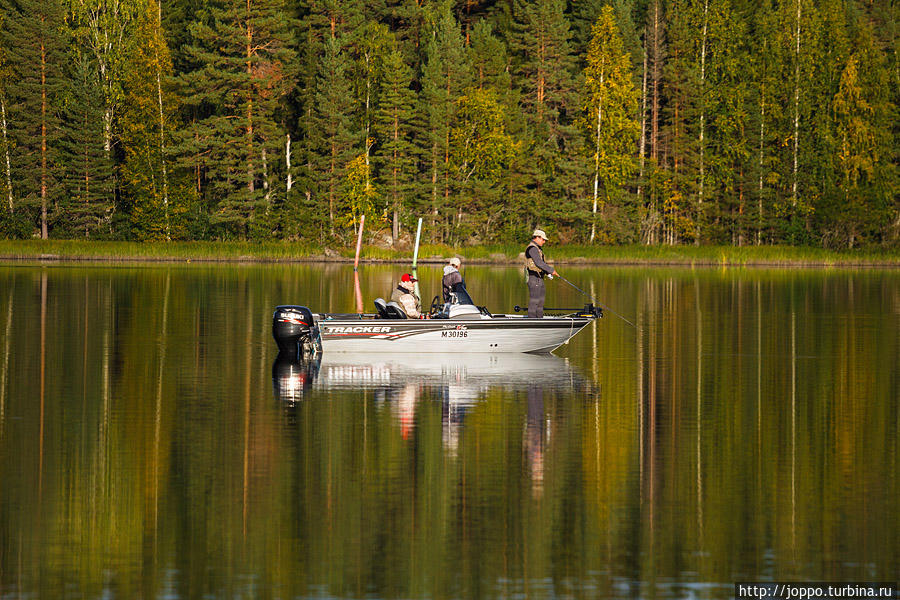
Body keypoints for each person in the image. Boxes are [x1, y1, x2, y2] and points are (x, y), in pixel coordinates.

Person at [524, 229, 558, 318]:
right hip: (533, 278)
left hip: (539, 279)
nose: (544, 242)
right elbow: (538, 262)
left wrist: (547, 272)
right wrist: (551, 270)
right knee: (534, 301)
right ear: (537, 238)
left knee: (540, 302)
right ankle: (532, 321)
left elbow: (541, 264)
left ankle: (540, 319)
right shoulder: (532, 248)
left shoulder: (538, 249)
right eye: (543, 239)